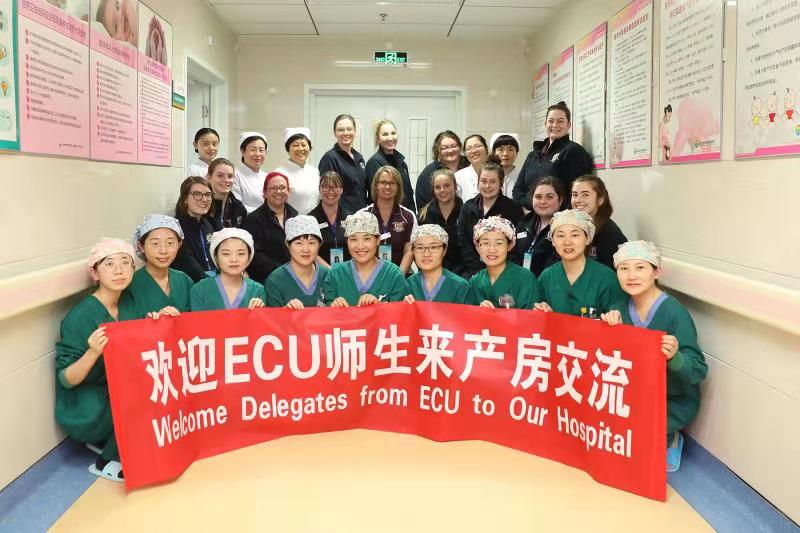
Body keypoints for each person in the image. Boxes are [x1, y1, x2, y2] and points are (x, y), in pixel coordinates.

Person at [601, 241, 708, 472]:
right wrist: (609, 330)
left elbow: (698, 370)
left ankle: (671, 438)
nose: (631, 276)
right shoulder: (618, 307)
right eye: (624, 268)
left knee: (642, 453)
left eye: (640, 267)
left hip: (671, 399)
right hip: (635, 394)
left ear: (656, 271)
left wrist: (675, 357)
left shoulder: (674, 313)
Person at [55, 238, 136, 482]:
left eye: (125, 263)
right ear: (95, 273)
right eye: (109, 264)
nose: (119, 270)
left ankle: (109, 439)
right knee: (136, 393)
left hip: (114, 391)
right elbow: (67, 379)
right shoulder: (79, 317)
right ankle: (107, 461)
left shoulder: (129, 304)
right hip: (85, 405)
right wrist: (92, 352)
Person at [534, 209, 624, 317]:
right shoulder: (547, 277)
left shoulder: (606, 278)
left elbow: (618, 316)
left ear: (588, 238)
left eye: (575, 235)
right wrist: (544, 312)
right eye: (560, 235)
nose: (567, 242)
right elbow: (538, 313)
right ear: (553, 241)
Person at [513, 101, 594, 210]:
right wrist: (536, 205)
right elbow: (517, 190)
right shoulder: (533, 155)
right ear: (545, 124)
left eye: (560, 121)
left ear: (569, 125)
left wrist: (545, 208)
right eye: (551, 121)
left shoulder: (574, 152)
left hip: (558, 217)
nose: (555, 125)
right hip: (533, 216)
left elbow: (574, 194)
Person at [322, 211, 408, 306]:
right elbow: (327, 309)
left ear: (378, 240)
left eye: (367, 239)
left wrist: (379, 306)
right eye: (353, 239)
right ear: (347, 241)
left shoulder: (394, 275)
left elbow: (400, 311)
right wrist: (334, 305)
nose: (360, 246)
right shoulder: (335, 275)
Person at [457, 159, 523, 278]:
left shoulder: (513, 209)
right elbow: (462, 241)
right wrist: (477, 269)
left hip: (504, 270)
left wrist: (497, 268)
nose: (487, 186)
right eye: (483, 181)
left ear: (501, 183)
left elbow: (515, 245)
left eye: (492, 182)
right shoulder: (467, 207)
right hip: (472, 269)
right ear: (478, 183)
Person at [122, 214, 193, 319]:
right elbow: (127, 325)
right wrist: (153, 322)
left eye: (170, 243)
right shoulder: (130, 284)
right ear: (141, 246)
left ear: (179, 245)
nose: (163, 251)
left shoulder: (184, 280)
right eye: (155, 243)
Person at [469, 216, 539, 309]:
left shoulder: (525, 279)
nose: (492, 249)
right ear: (478, 248)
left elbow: (531, 316)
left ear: (509, 246)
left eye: (499, 243)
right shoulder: (474, 282)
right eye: (486, 243)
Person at [359, 165, 417, 274]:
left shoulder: (408, 216)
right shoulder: (363, 215)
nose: (387, 186)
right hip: (369, 276)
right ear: (376, 186)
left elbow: (409, 251)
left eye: (392, 183)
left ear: (398, 187)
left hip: (400, 274)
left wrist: (398, 276)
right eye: (383, 182)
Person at [190, 228, 266, 311]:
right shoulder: (200, 290)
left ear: (249, 257)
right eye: (226, 254)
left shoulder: (257, 290)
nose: (234, 259)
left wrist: (258, 309)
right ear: (216, 256)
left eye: (241, 254)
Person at [242, 171, 298, 282]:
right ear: (265, 193)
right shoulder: (253, 220)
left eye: (282, 187)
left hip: (296, 276)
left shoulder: (295, 216)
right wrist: (283, 272)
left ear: (288, 191)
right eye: (273, 188)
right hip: (268, 279)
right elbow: (255, 255)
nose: (278, 191)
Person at [264, 216, 329, 309]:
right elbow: (270, 317)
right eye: (299, 243)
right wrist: (284, 312)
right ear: (287, 245)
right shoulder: (275, 281)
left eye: (311, 243)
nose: (306, 249)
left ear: (319, 245)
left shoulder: (328, 276)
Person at [404, 225, 473, 304]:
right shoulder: (408, 285)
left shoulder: (460, 286)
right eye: (420, 248)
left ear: (444, 250)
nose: (426, 254)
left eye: (433, 247)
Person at [571, 175, 627, 270]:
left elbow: (608, 273)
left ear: (600, 200)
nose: (578, 200)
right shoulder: (569, 225)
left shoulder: (610, 233)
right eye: (575, 194)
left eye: (585, 195)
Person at [417, 168, 464, 275]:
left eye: (447, 185)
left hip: (462, 275)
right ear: (433, 190)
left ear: (455, 187)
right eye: (437, 187)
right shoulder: (423, 216)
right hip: (431, 273)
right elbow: (419, 250)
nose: (442, 190)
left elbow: (469, 249)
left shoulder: (466, 213)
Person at [318, 114, 367, 214]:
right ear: (335, 133)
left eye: (349, 129)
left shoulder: (359, 158)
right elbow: (328, 194)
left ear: (354, 131)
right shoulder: (330, 158)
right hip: (341, 217)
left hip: (361, 216)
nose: (345, 133)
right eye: (341, 130)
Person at [514, 176, 563, 277]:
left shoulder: (565, 227)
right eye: (538, 197)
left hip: (548, 282)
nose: (543, 201)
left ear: (560, 200)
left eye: (549, 197)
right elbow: (511, 253)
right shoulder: (524, 222)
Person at [172, 176, 217, 282]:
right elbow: (189, 266)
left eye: (208, 195)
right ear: (185, 199)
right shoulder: (176, 228)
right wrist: (213, 284)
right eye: (197, 194)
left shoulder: (208, 225)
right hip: (191, 284)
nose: (204, 199)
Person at [365, 120, 416, 213]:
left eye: (393, 133)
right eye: (385, 134)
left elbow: (409, 195)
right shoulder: (374, 163)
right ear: (378, 139)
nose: (390, 138)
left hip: (406, 217)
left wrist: (412, 216)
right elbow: (377, 196)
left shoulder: (402, 163)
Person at [414, 130, 468, 209]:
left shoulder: (469, 165)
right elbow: (423, 206)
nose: (450, 150)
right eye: (444, 148)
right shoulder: (428, 173)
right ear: (437, 151)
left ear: (460, 147)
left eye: (453, 146)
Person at [308, 171, 352, 267]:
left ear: (341, 190)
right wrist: (330, 271)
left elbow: (356, 247)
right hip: (320, 272)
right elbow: (309, 250)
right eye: (326, 187)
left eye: (335, 187)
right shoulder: (310, 220)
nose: (331, 191)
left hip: (347, 272)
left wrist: (345, 271)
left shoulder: (350, 217)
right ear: (319, 189)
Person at [275, 127, 320, 216]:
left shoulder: (314, 171)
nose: (300, 149)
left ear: (309, 147)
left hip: (315, 221)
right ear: (288, 149)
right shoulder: (279, 174)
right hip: (290, 222)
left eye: (303, 145)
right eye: (295, 145)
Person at [232, 131, 268, 213]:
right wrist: (263, 214)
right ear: (242, 151)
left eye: (261, 150)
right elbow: (237, 205)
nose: (258, 154)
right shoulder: (235, 175)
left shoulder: (267, 176)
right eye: (253, 150)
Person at [207, 157, 247, 229]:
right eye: (220, 176)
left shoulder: (239, 208)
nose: (226, 180)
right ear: (209, 177)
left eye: (230, 176)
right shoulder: (201, 206)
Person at [455, 134, 489, 201]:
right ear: (465, 153)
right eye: (469, 148)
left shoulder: (497, 172)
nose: (473, 151)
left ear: (486, 148)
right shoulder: (458, 176)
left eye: (477, 146)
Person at [490, 133, 521, 198]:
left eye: (510, 149)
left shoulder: (522, 177)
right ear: (494, 153)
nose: (505, 154)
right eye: (500, 149)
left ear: (517, 153)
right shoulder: (488, 176)